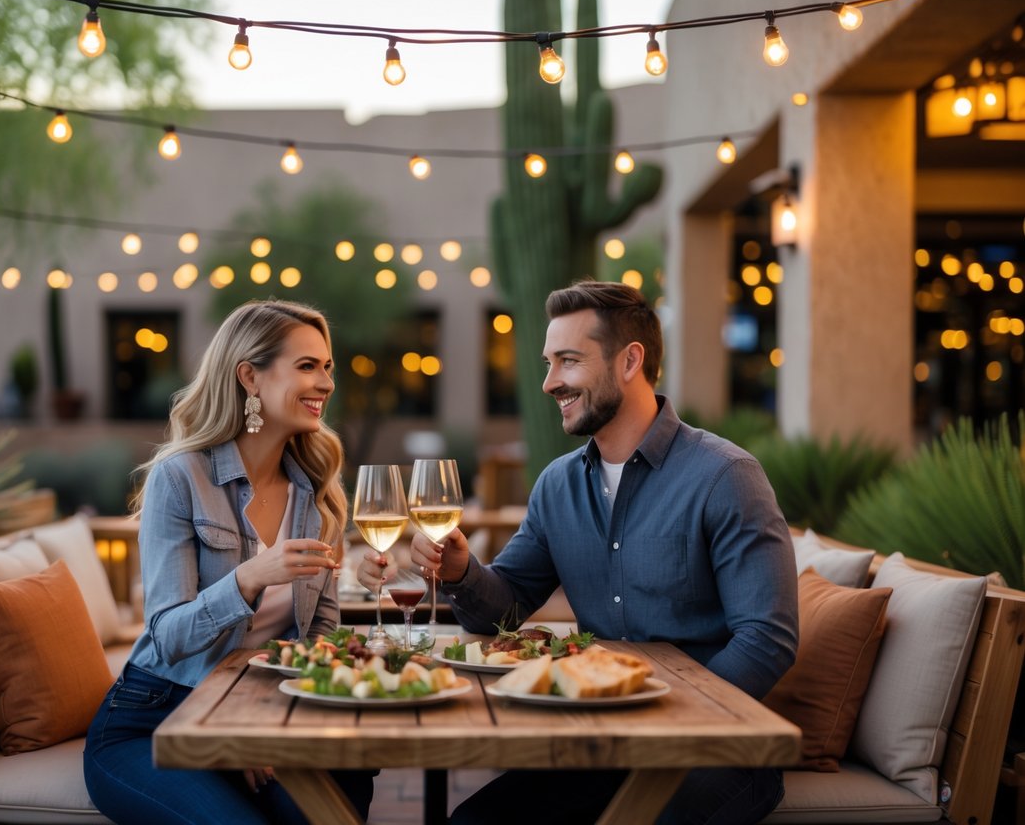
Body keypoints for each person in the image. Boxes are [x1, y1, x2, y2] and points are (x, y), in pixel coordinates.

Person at [360, 280, 798, 824]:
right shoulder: (557, 485)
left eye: (568, 361)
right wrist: (462, 571)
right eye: (548, 363)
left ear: (630, 361)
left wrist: (666, 720)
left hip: (715, 748)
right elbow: (509, 605)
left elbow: (767, 638)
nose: (549, 383)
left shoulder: (725, 476)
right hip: (596, 742)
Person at [85, 299, 375, 824]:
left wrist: (263, 724)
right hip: (154, 719)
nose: (327, 383)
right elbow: (168, 636)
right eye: (307, 366)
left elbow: (321, 631)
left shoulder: (317, 490)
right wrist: (248, 579)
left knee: (342, 788)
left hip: (253, 709)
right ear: (250, 377)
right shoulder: (180, 477)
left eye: (327, 367)